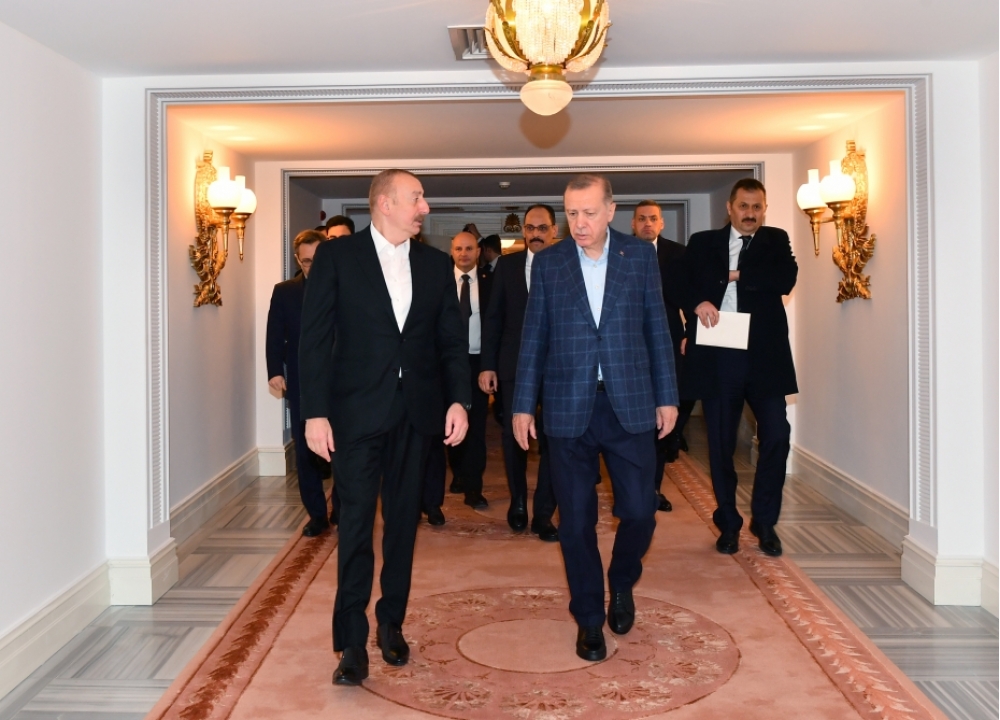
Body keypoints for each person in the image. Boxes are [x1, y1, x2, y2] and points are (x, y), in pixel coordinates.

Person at [299, 169, 471, 687]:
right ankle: (351, 642)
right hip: (354, 415)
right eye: (417, 198)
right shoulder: (337, 257)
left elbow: (451, 342)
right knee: (354, 526)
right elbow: (314, 339)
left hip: (416, 415)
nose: (425, 207)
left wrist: (459, 400)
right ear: (384, 203)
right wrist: (314, 412)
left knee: (401, 526)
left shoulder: (436, 265)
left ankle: (390, 621)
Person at [512, 175, 678, 662]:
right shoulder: (550, 263)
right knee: (576, 521)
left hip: (630, 403)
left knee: (640, 512)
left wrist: (667, 396)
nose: (579, 223)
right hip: (568, 406)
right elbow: (534, 337)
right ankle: (588, 617)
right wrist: (522, 404)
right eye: (572, 213)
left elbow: (657, 329)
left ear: (610, 210)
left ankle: (621, 581)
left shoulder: (639, 256)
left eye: (588, 213)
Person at [677, 178, 797, 558]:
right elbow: (682, 283)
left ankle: (765, 521)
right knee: (721, 443)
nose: (750, 213)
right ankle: (728, 522)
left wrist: (735, 275)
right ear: (729, 208)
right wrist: (697, 302)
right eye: (744, 206)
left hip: (765, 356)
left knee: (777, 434)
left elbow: (785, 279)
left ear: (764, 210)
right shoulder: (703, 242)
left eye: (757, 207)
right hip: (719, 353)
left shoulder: (775, 240)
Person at [479, 205, 559, 541]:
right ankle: (518, 502)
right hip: (514, 367)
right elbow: (493, 318)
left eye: (542, 228)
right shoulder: (508, 266)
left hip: (558, 369)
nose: (535, 234)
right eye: (530, 228)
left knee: (555, 440)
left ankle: (543, 513)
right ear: (523, 231)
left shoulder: (568, 265)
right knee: (515, 437)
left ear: (554, 230)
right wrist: (487, 364)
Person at [265, 229, 339, 536]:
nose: (312, 266)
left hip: (341, 382)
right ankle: (317, 515)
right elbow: (274, 334)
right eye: (307, 261)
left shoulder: (344, 287)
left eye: (318, 259)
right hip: (301, 383)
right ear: (298, 260)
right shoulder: (285, 291)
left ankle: (342, 508)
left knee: (343, 449)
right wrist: (275, 370)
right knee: (306, 452)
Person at [631, 201, 696, 512]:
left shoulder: (678, 254)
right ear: (633, 224)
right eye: (642, 219)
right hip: (628, 346)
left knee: (665, 413)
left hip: (667, 344)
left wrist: (689, 334)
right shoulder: (619, 252)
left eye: (653, 219)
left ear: (661, 223)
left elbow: (691, 297)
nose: (647, 223)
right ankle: (630, 487)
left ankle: (654, 488)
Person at [423, 231, 492, 518]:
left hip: (477, 365)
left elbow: (497, 326)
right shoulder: (437, 281)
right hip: (443, 366)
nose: (464, 253)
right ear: (451, 251)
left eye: (469, 248)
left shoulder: (491, 283)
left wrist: (490, 365)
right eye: (459, 248)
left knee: (475, 428)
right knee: (444, 426)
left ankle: (474, 487)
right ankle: (457, 474)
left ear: (478, 252)